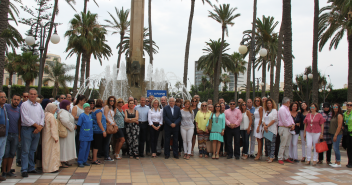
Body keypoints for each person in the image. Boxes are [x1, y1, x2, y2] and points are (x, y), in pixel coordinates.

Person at [20, 88, 44, 177]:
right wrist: (36, 126)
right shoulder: (24, 105)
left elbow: (42, 116)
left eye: (34, 94)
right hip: (27, 129)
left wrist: (40, 126)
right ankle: (24, 169)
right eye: (31, 94)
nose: (32, 95)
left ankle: (31, 167)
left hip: (37, 130)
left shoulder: (39, 106)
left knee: (33, 150)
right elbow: (25, 118)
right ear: (28, 95)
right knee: (25, 150)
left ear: (37, 95)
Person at [2, 94, 21, 178]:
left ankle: (9, 170)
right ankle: (3, 171)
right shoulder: (6, 107)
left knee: (12, 153)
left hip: (15, 134)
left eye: (17, 100)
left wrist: (19, 134)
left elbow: (19, 123)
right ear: (11, 100)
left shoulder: (19, 110)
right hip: (6, 134)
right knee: (5, 153)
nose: (16, 101)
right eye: (14, 99)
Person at [42, 103, 60, 173]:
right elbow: (53, 128)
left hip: (46, 137)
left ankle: (46, 167)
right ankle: (52, 168)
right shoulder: (51, 116)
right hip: (51, 137)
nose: (55, 111)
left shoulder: (45, 114)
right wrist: (55, 137)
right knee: (52, 152)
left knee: (46, 153)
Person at [58, 100, 76, 167]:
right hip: (66, 132)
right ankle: (62, 161)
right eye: (68, 105)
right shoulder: (63, 112)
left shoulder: (65, 112)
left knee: (67, 146)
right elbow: (65, 121)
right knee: (64, 146)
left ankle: (65, 160)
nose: (69, 107)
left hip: (68, 132)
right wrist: (73, 126)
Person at [277, 97, 295, 165]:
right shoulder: (282, 109)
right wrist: (290, 125)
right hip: (284, 128)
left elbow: (290, 117)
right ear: (287, 102)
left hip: (288, 128)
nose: (289, 103)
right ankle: (280, 158)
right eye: (289, 102)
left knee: (287, 144)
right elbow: (284, 120)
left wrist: (293, 124)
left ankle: (286, 157)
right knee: (283, 144)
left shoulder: (287, 109)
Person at [76, 103, 93, 168]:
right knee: (83, 148)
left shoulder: (89, 115)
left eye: (88, 107)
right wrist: (79, 133)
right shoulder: (82, 115)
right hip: (84, 134)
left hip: (90, 134)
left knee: (87, 149)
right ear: (84, 108)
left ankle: (84, 161)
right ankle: (80, 161)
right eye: (86, 107)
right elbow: (79, 125)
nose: (88, 108)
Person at [262, 98, 278, 163]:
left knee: (272, 144)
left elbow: (274, 120)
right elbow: (263, 120)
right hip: (266, 130)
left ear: (272, 104)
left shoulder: (274, 111)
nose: (269, 104)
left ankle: (271, 157)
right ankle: (269, 156)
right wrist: (265, 126)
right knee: (267, 144)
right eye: (268, 103)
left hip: (272, 129)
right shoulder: (266, 111)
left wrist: (267, 126)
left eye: (270, 103)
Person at [91, 99, 107, 164]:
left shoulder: (94, 110)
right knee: (97, 145)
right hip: (98, 130)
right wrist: (103, 130)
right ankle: (94, 159)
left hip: (95, 129)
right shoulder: (99, 111)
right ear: (101, 104)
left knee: (95, 145)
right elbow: (99, 121)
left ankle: (95, 158)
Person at [103, 96, 117, 161]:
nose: (112, 102)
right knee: (106, 142)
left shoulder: (112, 108)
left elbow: (112, 117)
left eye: (113, 101)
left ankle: (106, 155)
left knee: (108, 141)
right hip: (108, 125)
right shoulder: (107, 107)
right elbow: (105, 117)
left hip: (112, 125)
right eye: (110, 100)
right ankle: (106, 156)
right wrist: (110, 123)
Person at [329, 103, 343, 167]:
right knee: (335, 148)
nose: (335, 108)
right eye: (334, 107)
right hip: (332, 133)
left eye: (336, 107)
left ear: (339, 108)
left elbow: (339, 126)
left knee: (336, 148)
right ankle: (336, 161)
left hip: (337, 134)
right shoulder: (334, 115)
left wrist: (335, 135)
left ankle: (338, 162)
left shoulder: (339, 115)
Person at [0, 91, 8, 181]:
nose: (3, 98)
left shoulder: (5, 108)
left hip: (4, 134)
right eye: (1, 97)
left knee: (1, 155)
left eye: (4, 97)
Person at [343, 102, 352, 168]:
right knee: (348, 148)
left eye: (350, 105)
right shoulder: (345, 114)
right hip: (347, 133)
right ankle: (349, 162)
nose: (349, 106)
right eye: (347, 105)